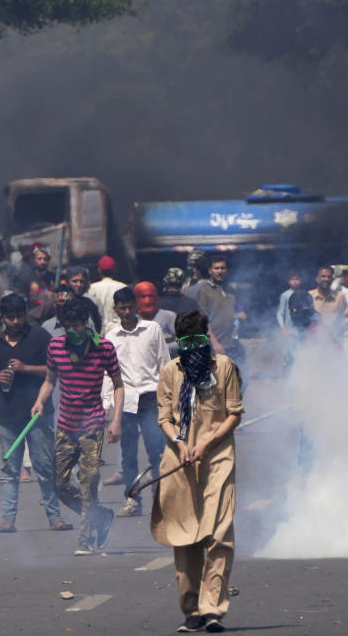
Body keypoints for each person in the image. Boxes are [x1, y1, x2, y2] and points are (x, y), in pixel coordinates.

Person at [152, 309, 243, 633]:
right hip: (179, 461)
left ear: (208, 337)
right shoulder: (170, 371)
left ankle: (212, 609)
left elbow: (234, 413)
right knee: (185, 536)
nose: (194, 349)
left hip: (217, 458)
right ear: (179, 342)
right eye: (186, 342)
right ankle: (191, 611)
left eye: (199, 341)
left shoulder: (225, 367)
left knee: (219, 535)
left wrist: (205, 444)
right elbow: (165, 417)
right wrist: (180, 443)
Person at [31, 297, 123, 555]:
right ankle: (100, 516)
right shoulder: (56, 346)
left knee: (88, 482)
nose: (73, 330)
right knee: (58, 484)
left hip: (92, 425)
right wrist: (40, 401)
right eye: (67, 325)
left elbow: (118, 384)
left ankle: (84, 540)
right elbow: (50, 380)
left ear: (86, 323)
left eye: (77, 325)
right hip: (65, 425)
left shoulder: (103, 348)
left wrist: (116, 420)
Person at [0, 294, 70, 532]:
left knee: (44, 466)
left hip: (38, 414)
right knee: (10, 468)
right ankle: (8, 518)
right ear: (3, 318)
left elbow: (55, 368)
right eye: (10, 317)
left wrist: (26, 368)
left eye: (20, 316)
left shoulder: (39, 336)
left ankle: (55, 517)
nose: (16, 322)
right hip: (7, 416)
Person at [102, 287, 170, 517]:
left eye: (131, 307)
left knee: (156, 451)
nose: (127, 312)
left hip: (152, 397)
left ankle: (161, 499)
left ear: (137, 306)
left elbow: (164, 364)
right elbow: (108, 374)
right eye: (122, 308)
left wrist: (169, 400)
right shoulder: (111, 337)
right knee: (128, 455)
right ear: (116, 309)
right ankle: (132, 501)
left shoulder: (152, 329)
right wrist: (106, 407)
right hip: (126, 401)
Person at [196, 255, 247, 390]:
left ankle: (233, 409)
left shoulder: (230, 289)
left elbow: (237, 309)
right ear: (210, 271)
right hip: (216, 345)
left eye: (222, 268)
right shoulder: (205, 291)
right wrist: (214, 342)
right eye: (216, 268)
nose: (219, 271)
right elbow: (203, 320)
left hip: (233, 343)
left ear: (227, 270)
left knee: (241, 380)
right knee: (219, 384)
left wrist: (240, 314)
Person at [86, 255, 127, 334]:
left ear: (99, 270)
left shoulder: (91, 288)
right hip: (118, 330)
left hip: (98, 331)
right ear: (115, 269)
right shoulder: (123, 287)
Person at [134, 281, 177, 355]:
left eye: (151, 296)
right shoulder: (133, 320)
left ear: (157, 298)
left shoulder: (169, 316)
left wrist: (165, 348)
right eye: (143, 297)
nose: (147, 301)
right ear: (136, 300)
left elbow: (182, 341)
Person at [11, 243, 54, 309]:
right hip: (37, 317)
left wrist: (56, 296)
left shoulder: (54, 276)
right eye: (39, 259)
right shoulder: (25, 278)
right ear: (33, 260)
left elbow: (68, 295)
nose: (43, 262)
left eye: (45, 259)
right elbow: (21, 300)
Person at [276, 270, 302, 336]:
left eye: (297, 279)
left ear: (301, 281)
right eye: (292, 279)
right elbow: (280, 313)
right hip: (289, 329)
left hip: (301, 328)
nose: (295, 281)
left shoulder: (304, 294)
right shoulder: (285, 295)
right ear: (289, 282)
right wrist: (283, 327)